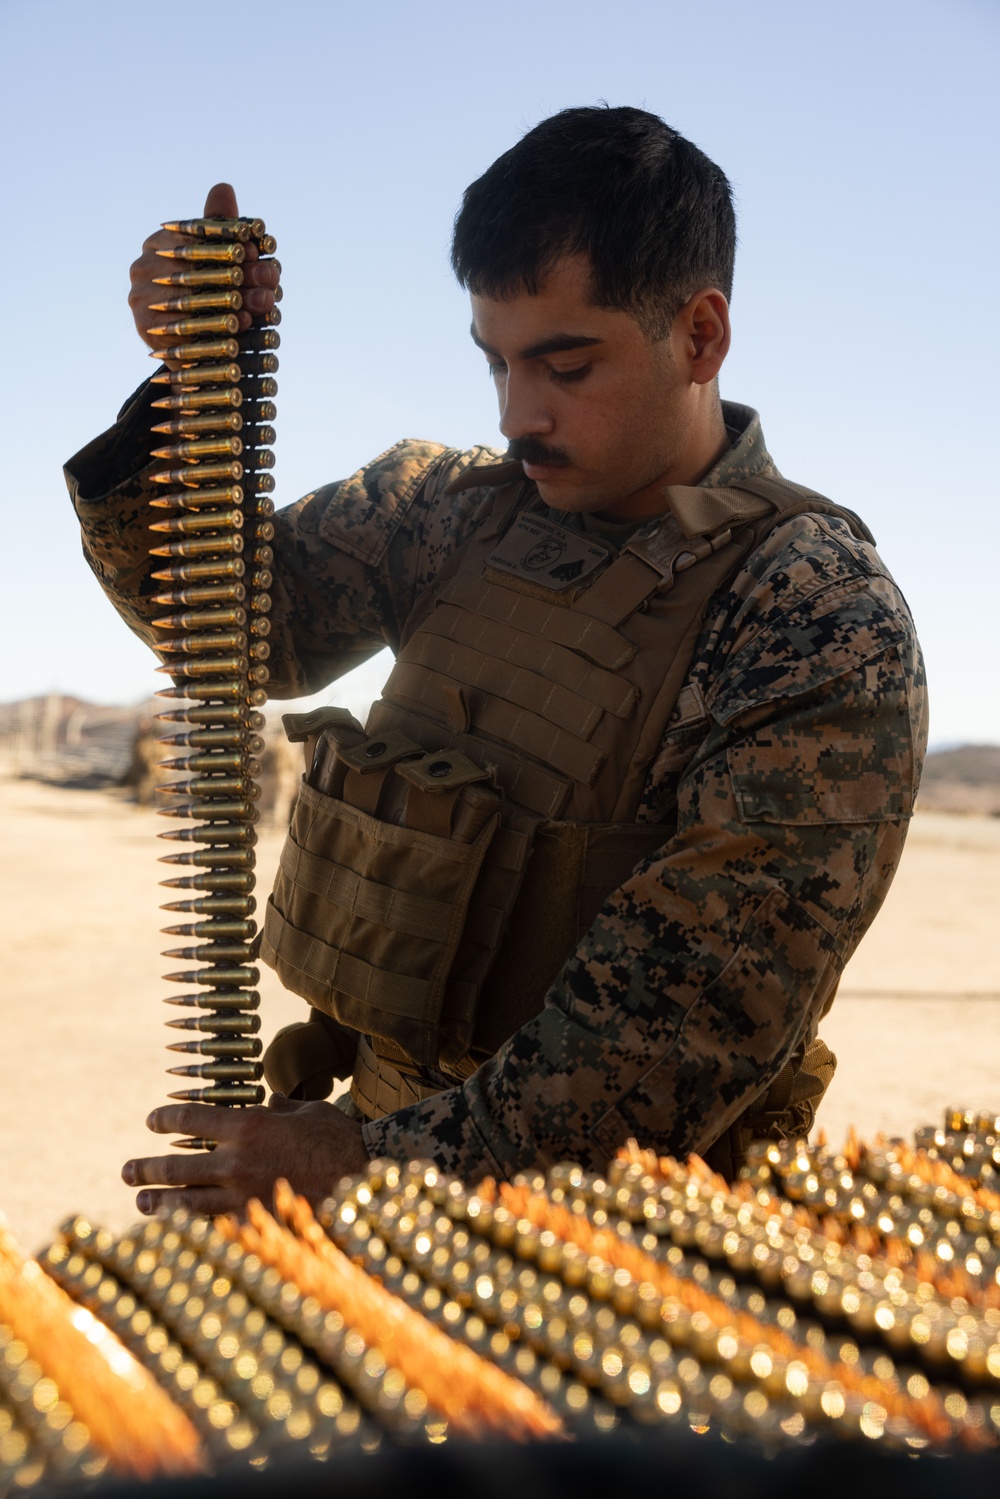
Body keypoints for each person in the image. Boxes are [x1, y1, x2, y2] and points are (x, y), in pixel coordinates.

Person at [64, 107, 927, 1217]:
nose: (520, 413)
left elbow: (680, 1036)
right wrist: (196, 383)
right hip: (352, 1162)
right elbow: (226, 627)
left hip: (602, 1241)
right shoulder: (447, 509)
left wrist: (367, 1166)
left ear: (700, 336)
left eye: (566, 364)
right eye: (497, 361)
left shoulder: (811, 613)